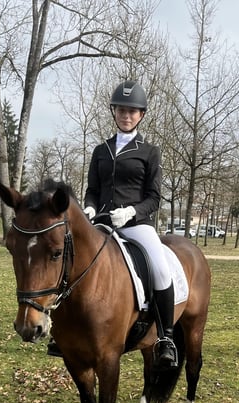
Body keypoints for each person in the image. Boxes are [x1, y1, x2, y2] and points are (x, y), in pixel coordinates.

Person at [47, 80, 178, 370]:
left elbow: (154, 197)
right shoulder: (101, 150)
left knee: (159, 267)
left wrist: (131, 211)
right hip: (102, 224)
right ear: (114, 112)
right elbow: (92, 189)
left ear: (141, 115)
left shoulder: (150, 152)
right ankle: (61, 332)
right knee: (68, 263)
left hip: (136, 225)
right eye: (121, 110)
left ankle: (165, 338)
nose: (126, 115)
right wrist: (91, 207)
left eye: (132, 111)